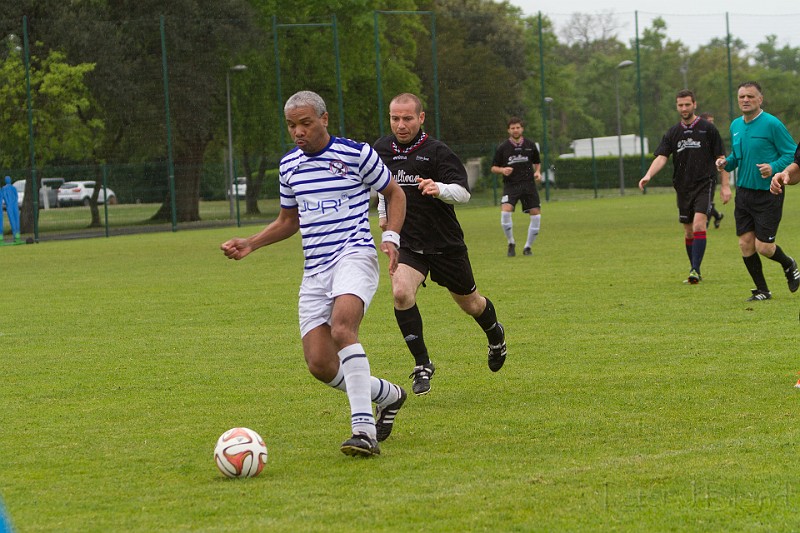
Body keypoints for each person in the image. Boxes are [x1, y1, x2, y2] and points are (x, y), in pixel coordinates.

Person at [221, 91, 407, 457]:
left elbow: (394, 191)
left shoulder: (356, 154)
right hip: (315, 270)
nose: (298, 132)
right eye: (292, 125)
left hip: (355, 255)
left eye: (305, 123)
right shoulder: (289, 166)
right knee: (320, 364)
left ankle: (363, 430)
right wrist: (252, 243)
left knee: (342, 329)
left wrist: (391, 237)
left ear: (324, 119)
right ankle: (389, 395)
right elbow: (288, 221)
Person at [374, 92, 507, 396]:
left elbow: (463, 192)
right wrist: (384, 216)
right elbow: (382, 187)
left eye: (408, 118)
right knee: (400, 292)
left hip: (445, 243)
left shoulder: (437, 152)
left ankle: (495, 333)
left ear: (421, 118)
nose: (401, 124)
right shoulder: (381, 149)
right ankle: (423, 364)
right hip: (408, 242)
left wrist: (439, 188)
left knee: (471, 304)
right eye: (395, 118)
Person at [716, 81, 799, 301]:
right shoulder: (735, 126)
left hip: (768, 193)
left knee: (764, 247)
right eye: (742, 96)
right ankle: (762, 290)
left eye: (750, 96)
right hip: (743, 193)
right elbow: (737, 158)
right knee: (745, 243)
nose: (745, 100)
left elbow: (792, 155)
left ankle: (789, 263)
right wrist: (726, 163)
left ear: (760, 99)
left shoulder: (772, 124)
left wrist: (773, 167)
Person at [638, 90, 730, 284]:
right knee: (688, 231)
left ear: (694, 104)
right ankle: (694, 268)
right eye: (680, 105)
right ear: (677, 106)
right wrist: (648, 175)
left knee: (698, 224)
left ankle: (695, 270)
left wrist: (725, 186)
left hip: (705, 183)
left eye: (687, 104)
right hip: (682, 186)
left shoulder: (708, 129)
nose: (684, 108)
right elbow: (662, 156)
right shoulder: (673, 132)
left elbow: (721, 158)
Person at [490, 117, 542, 256]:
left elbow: (537, 162)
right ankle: (511, 242)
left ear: (522, 129)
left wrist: (537, 172)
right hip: (511, 185)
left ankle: (527, 247)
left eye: (518, 127)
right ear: (509, 130)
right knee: (505, 211)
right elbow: (493, 168)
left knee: (536, 215)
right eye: (512, 128)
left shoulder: (530, 145)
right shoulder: (503, 147)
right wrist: (502, 170)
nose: (515, 130)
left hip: (529, 185)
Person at [698, 112, 727, 229]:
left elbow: (722, 157)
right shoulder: (696, 137)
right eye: (710, 122)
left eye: (712, 122)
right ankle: (717, 216)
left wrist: (725, 184)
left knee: (706, 201)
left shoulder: (714, 137)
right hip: (695, 176)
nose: (712, 124)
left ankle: (704, 223)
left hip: (709, 175)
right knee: (702, 201)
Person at [1, 176, 21, 242]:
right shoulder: (13, 188)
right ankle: (17, 234)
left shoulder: (4, 188)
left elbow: (3, 197)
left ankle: (15, 233)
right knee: (16, 218)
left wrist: (7, 202)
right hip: (14, 205)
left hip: (9, 205)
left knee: (12, 219)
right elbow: (16, 196)